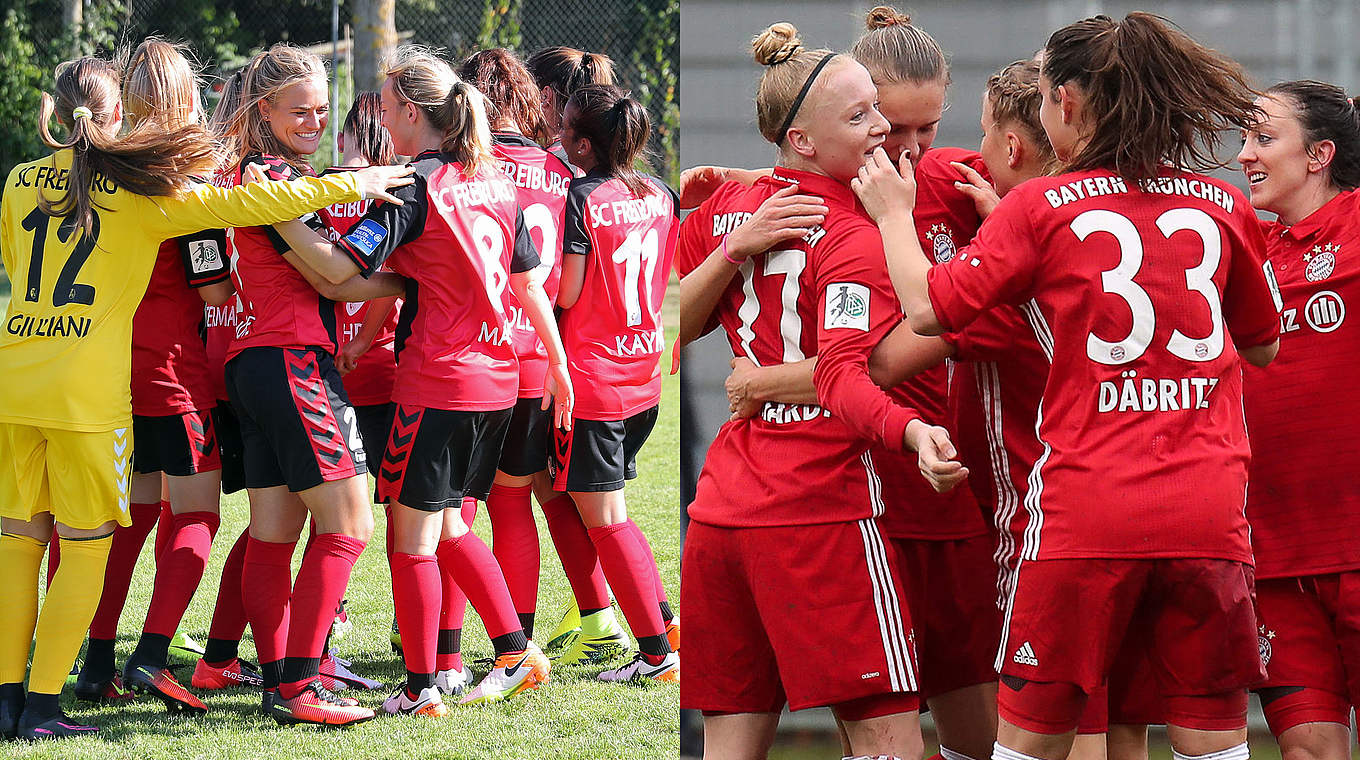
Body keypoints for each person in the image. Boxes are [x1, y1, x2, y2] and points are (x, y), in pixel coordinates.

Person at [852, 12, 1280, 760]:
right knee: (1213, 744)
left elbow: (926, 310)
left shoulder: (1041, 207)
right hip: (1209, 515)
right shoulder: (1226, 206)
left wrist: (892, 213)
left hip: (1087, 517)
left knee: (1030, 746)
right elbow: (1263, 344)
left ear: (1069, 106)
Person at [0, 54, 410, 741]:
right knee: (110, 536)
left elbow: (18, 266)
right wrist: (354, 182)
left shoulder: (19, 179)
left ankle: (30, 689)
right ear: (117, 114)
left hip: (21, 375)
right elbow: (233, 232)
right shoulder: (148, 187)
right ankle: (78, 689)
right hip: (132, 380)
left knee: (24, 543)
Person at [710, 10, 1002, 757]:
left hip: (936, 489)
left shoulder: (960, 181)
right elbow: (852, 362)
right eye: (881, 120)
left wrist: (768, 381)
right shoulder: (811, 210)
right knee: (876, 726)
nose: (900, 145)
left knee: (981, 726)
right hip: (845, 495)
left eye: (923, 126)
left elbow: (889, 351)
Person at [267, 44, 572, 716]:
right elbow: (526, 285)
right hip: (497, 382)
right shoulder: (496, 182)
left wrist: (277, 211)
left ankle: (422, 687)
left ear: (408, 110)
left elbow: (342, 270)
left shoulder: (411, 185)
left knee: (413, 541)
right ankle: (515, 651)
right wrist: (556, 364)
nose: (381, 119)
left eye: (384, 106)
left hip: (438, 381)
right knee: (451, 531)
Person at [216, 43, 406, 727]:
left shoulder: (275, 172)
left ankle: (279, 682)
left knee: (273, 532)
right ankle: (300, 685)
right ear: (263, 108)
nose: (314, 121)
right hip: (291, 360)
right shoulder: (266, 176)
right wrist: (420, 283)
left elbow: (332, 273)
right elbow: (331, 273)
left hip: (256, 362)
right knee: (349, 525)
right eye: (299, 110)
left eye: (322, 109)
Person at [66, 37, 235, 717]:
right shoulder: (180, 180)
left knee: (130, 517)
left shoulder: (101, 168)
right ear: (186, 97)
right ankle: (152, 657)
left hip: (107, 368)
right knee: (197, 512)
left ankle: (97, 659)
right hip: (171, 373)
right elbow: (216, 291)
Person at [459, 48, 608, 666]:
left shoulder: (468, 169)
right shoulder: (558, 168)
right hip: (538, 356)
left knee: (454, 509)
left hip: (475, 354)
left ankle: (442, 650)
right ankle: (515, 639)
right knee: (515, 497)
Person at [1237, 80, 1360, 760]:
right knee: (1309, 751)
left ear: (1320, 154)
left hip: (1356, 546)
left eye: (1262, 137)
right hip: (1276, 559)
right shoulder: (1235, 237)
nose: (1244, 154)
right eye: (1245, 138)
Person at [551, 82, 679, 682]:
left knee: (606, 516)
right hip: (643, 377)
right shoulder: (661, 192)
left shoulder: (581, 197)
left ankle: (656, 651)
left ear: (581, 144)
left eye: (564, 129)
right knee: (596, 509)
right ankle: (662, 625)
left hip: (594, 380)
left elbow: (569, 292)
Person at [526, 46, 616, 169]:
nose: (519, 103)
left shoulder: (543, 165)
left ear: (545, 96)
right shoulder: (596, 157)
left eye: (523, 93)